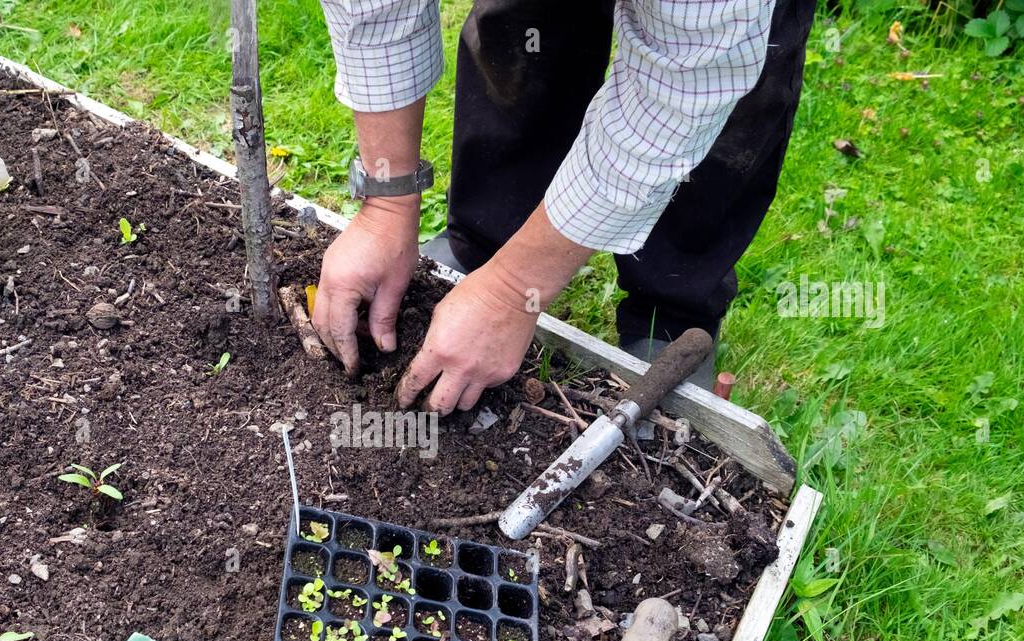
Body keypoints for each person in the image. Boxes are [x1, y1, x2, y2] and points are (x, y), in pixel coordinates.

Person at [309, 0, 816, 412]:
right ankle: (487, 245)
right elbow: (372, 10)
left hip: (709, 33)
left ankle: (671, 304)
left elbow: (689, 85)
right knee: (528, 22)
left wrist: (513, 292)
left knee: (740, 94)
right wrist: (388, 204)